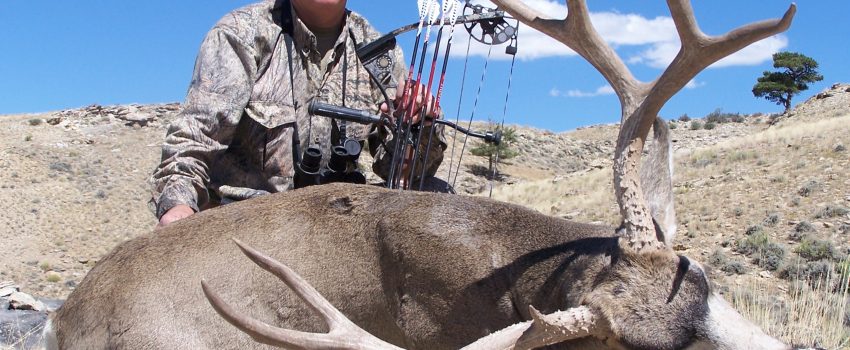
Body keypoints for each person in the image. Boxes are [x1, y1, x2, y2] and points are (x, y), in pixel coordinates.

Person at [150, 0, 446, 228]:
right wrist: (178, 207)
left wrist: (420, 127)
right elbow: (193, 141)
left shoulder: (380, 53)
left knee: (439, 193)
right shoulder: (240, 35)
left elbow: (401, 173)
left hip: (338, 227)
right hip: (245, 229)